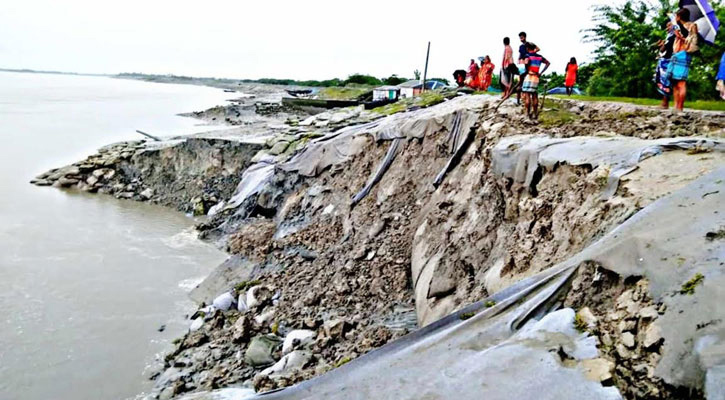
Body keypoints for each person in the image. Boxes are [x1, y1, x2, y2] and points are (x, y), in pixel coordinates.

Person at [666, 8, 698, 112]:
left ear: (679, 17)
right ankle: (676, 107)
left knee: (681, 82)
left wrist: (681, 37)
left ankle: (680, 107)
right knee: (675, 81)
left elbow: (693, 41)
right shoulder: (680, 27)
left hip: (683, 54)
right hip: (678, 54)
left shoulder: (691, 26)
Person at [521, 42, 550, 119]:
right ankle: (535, 113)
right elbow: (548, 63)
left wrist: (526, 71)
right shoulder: (540, 57)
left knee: (527, 96)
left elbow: (526, 64)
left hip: (529, 77)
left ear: (527, 48)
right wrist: (541, 73)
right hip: (536, 77)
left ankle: (527, 114)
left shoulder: (527, 56)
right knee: (534, 96)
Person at [517, 32, 540, 104]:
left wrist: (532, 54)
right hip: (522, 62)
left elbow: (538, 48)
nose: (521, 39)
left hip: (528, 62)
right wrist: (519, 61)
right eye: (520, 37)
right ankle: (519, 98)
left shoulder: (529, 44)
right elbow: (520, 54)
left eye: (522, 37)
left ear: (525, 37)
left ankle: (525, 96)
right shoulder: (521, 46)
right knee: (520, 80)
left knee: (525, 79)